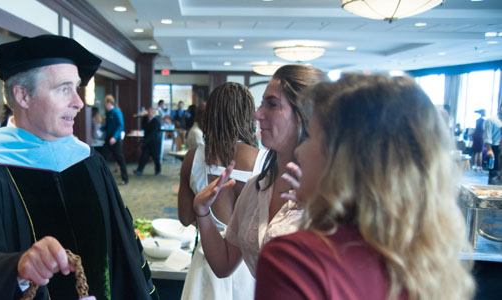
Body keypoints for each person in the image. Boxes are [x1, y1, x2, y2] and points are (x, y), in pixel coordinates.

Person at [0, 35, 157, 300]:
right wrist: (17, 268)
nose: (79, 102)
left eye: (77, 88)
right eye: (64, 88)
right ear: (23, 96)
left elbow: (124, 248)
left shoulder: (88, 160)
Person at [255, 74, 474, 300]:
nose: (299, 150)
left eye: (310, 136)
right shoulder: (427, 261)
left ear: (343, 158)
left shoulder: (295, 261)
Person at [192, 65, 327, 278]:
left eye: (272, 105)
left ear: (304, 115)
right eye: (261, 103)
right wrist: (202, 211)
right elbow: (224, 263)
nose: (257, 114)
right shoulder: (257, 187)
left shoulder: (333, 193)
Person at [178, 82, 267, 300]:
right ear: (248, 115)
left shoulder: (193, 158)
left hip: (206, 261)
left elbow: (185, 217)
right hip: (249, 265)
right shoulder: (265, 160)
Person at [102, 94, 129, 185]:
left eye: (105, 104)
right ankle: (104, 179)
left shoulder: (117, 112)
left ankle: (125, 179)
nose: (105, 106)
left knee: (120, 159)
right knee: (103, 158)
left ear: (109, 103)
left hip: (115, 140)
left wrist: (115, 137)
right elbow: (107, 126)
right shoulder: (107, 113)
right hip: (108, 139)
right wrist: (101, 129)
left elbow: (121, 126)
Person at [134, 107, 163, 176]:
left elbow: (152, 134)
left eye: (151, 112)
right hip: (147, 142)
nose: (149, 113)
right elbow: (143, 127)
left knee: (155, 157)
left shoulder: (156, 122)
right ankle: (139, 170)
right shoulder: (146, 120)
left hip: (155, 143)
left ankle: (158, 170)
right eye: (148, 112)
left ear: (153, 113)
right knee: (144, 156)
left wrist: (144, 142)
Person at [484, 105, 502, 184]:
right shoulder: (491, 120)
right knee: (495, 173)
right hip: (495, 148)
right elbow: (487, 136)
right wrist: (489, 150)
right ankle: (492, 192)